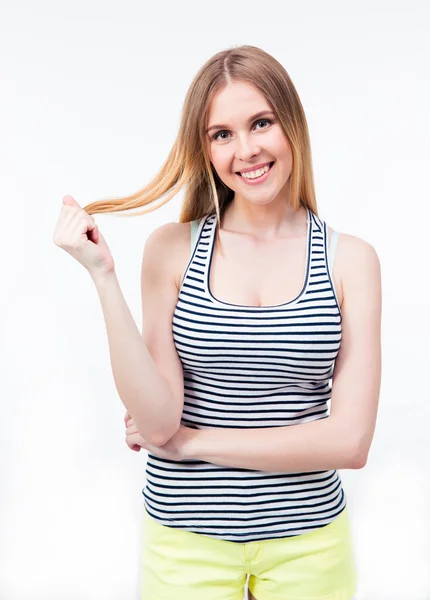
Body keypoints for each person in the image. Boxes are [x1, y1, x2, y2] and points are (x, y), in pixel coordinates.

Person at [53, 45, 381, 600]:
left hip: (310, 544)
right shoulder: (172, 250)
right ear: (203, 149)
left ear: (291, 125)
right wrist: (103, 276)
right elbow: (157, 424)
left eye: (261, 123)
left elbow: (350, 442)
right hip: (185, 542)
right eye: (221, 134)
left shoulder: (350, 260)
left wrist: (194, 444)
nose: (246, 149)